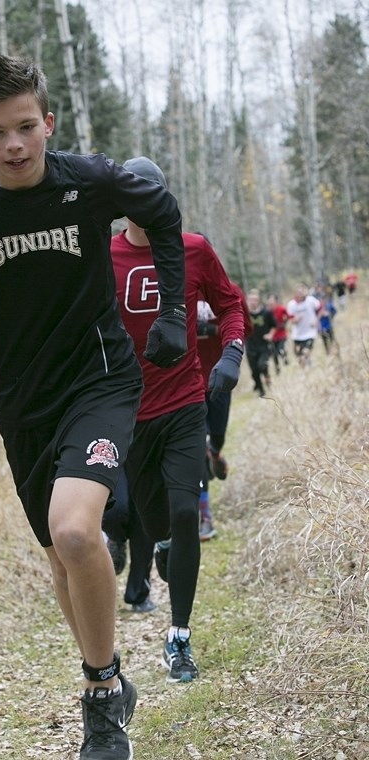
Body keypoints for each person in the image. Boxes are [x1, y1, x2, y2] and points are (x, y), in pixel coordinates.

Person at [0, 54, 190, 760]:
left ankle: (98, 701)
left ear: (48, 123)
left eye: (27, 127)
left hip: (100, 379)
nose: (16, 145)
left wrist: (173, 310)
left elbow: (163, 212)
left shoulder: (87, 181)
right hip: (22, 401)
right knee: (61, 555)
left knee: (78, 533)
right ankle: (109, 679)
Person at [111, 157, 246, 683]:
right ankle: (164, 545)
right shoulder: (102, 256)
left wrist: (231, 354)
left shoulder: (192, 249)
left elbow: (231, 303)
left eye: (154, 194)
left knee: (187, 512)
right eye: (135, 196)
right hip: (128, 414)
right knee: (155, 523)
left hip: (185, 403)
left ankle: (179, 638)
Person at [196, 288, 252, 540]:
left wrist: (211, 330)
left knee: (216, 436)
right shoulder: (169, 286)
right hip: (187, 381)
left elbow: (244, 330)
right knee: (196, 446)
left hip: (219, 378)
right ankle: (204, 516)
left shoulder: (228, 291)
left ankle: (215, 452)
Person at [102, 470, 157, 613]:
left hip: (145, 453)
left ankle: (139, 593)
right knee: (115, 509)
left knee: (143, 519)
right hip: (113, 453)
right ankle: (116, 538)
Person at [244, 289, 276, 396]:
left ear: (259, 301)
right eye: (251, 300)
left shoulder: (266, 313)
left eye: (255, 300)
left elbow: (274, 326)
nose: (253, 302)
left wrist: (270, 335)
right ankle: (261, 390)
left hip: (263, 346)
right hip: (250, 346)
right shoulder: (245, 314)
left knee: (262, 365)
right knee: (254, 371)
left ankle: (267, 376)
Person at [286, 284, 322, 368]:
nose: (299, 295)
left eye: (301, 292)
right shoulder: (291, 304)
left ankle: (310, 367)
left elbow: (320, 309)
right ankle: (306, 367)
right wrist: (295, 320)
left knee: (306, 352)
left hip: (310, 331)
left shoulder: (311, 300)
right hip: (297, 334)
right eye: (298, 293)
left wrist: (316, 320)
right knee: (299, 356)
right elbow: (290, 319)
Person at [265, 294, 289, 373]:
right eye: (269, 302)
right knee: (274, 353)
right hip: (272, 336)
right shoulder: (267, 312)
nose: (271, 303)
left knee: (280, 349)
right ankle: (277, 369)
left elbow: (288, 315)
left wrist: (284, 323)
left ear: (276, 301)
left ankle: (285, 358)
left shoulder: (281, 308)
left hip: (281, 334)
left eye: (272, 301)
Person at [318, 288, 338, 354]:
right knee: (325, 341)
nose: (324, 300)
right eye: (322, 298)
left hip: (329, 325)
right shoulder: (318, 307)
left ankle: (332, 349)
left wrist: (330, 314)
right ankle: (327, 352)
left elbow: (334, 311)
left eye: (325, 298)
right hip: (322, 327)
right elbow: (315, 316)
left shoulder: (329, 305)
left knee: (332, 339)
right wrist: (320, 315)